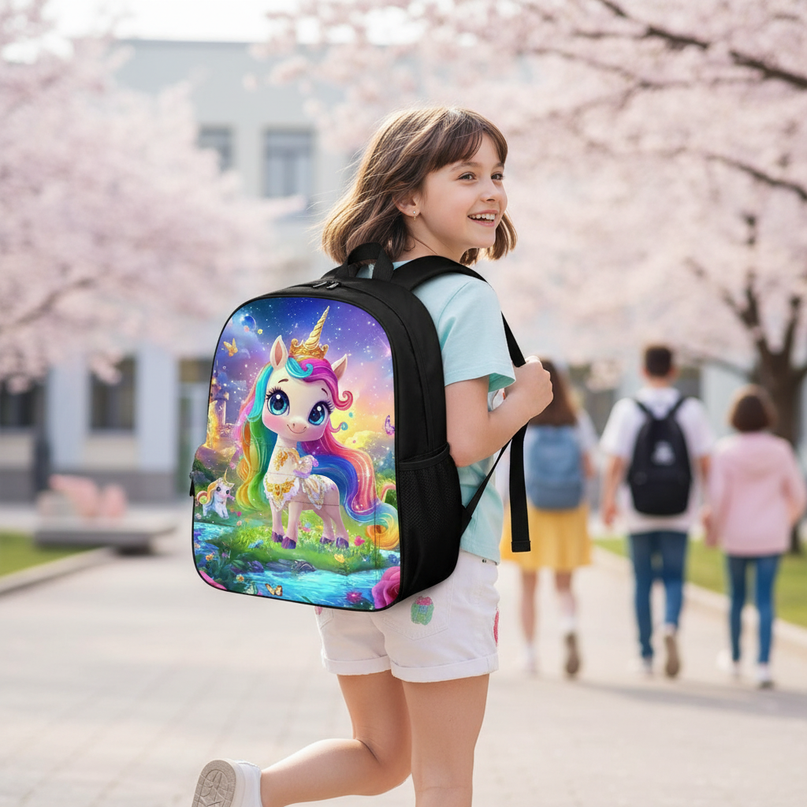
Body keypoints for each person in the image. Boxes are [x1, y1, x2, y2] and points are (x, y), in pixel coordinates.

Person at [192, 107, 553, 807]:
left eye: (497, 174)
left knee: (380, 755)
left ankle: (249, 790)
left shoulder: (349, 289)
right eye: (467, 175)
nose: (491, 192)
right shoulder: (462, 296)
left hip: (356, 567)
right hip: (441, 565)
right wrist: (527, 397)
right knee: (443, 777)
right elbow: (467, 441)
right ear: (407, 196)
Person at [599, 345, 713, 677]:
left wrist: (608, 501)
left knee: (642, 580)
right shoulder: (691, 409)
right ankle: (671, 624)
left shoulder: (628, 408)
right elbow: (706, 461)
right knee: (675, 576)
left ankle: (646, 654)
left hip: (638, 508)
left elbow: (616, 461)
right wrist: (709, 503)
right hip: (680, 508)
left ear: (643, 371)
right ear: (673, 370)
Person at [704, 385, 806, 689]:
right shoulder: (781, 450)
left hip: (736, 535)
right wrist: (782, 521)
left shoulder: (725, 450)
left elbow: (718, 497)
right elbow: (799, 496)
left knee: (736, 598)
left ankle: (735, 658)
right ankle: (763, 665)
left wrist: (714, 530)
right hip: (770, 535)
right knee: (765, 600)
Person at [500, 359, 597, 677]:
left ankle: (529, 655)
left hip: (530, 508)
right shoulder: (576, 419)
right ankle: (569, 624)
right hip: (569, 509)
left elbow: (506, 470)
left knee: (528, 586)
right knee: (565, 583)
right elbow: (591, 468)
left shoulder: (523, 415)